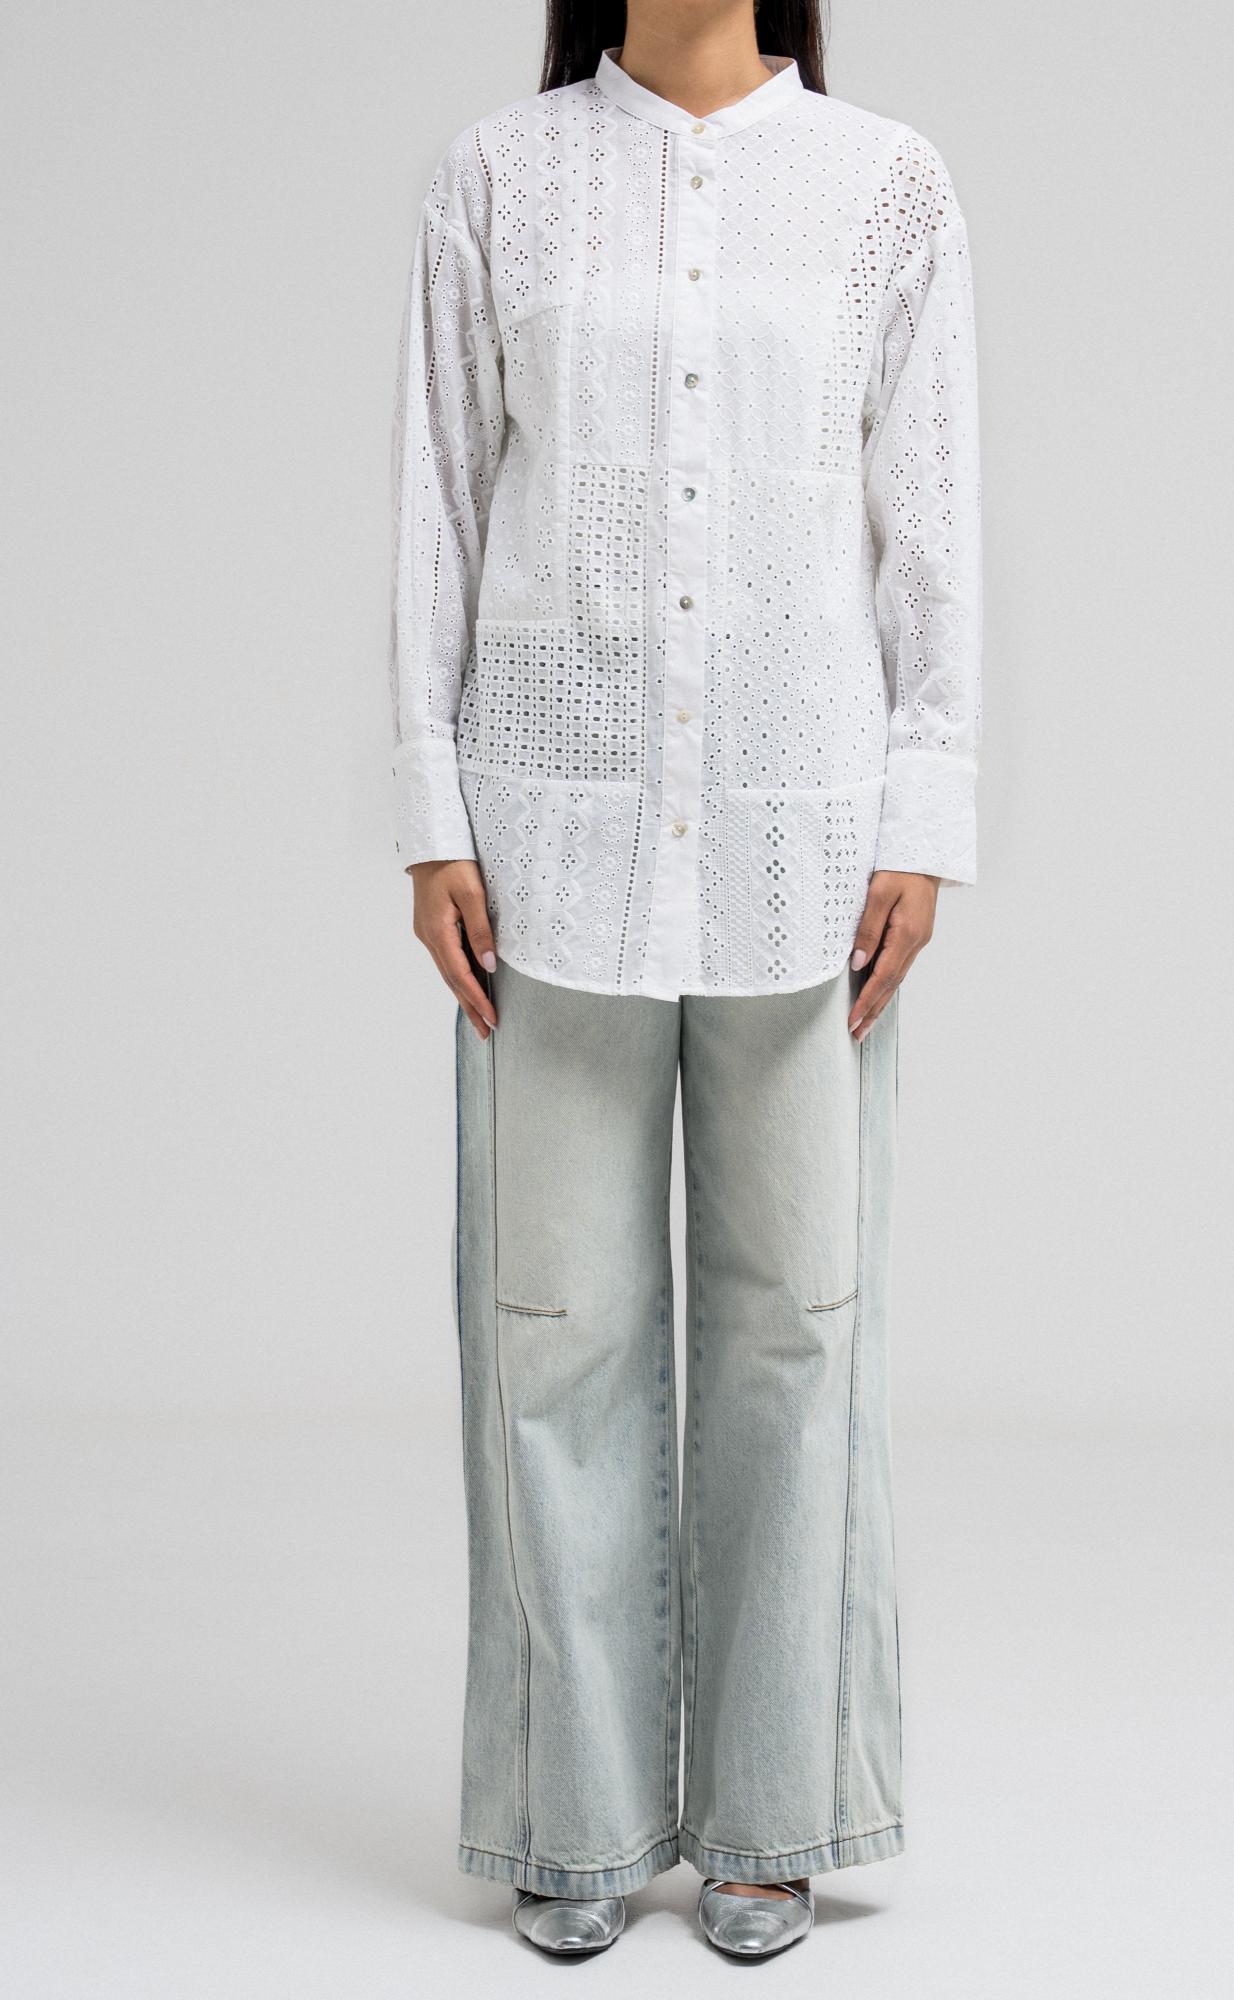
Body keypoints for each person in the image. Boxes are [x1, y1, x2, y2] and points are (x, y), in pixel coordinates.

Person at [387, 0, 982, 1962]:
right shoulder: (498, 177)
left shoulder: (884, 188)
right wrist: (428, 807)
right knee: (550, 1328)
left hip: (800, 839)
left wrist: (924, 808)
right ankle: (570, 1810)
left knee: (796, 1322)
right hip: (545, 839)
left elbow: (930, 521)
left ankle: (772, 1810)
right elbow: (437, 504)